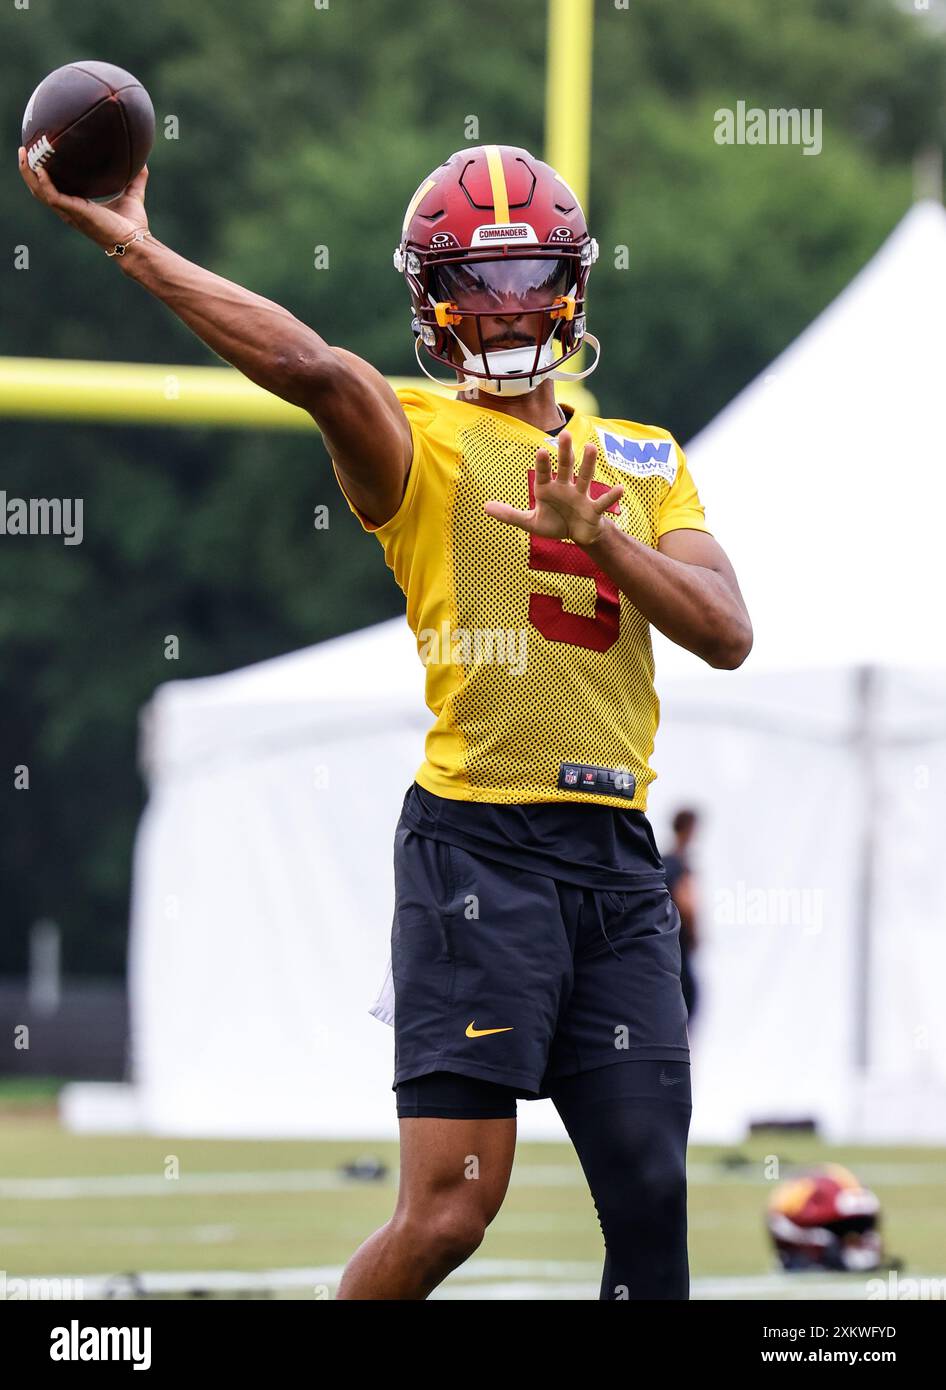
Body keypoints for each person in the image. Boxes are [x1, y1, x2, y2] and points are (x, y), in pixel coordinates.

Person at [20, 142, 752, 1300]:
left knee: (653, 1195)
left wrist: (599, 532)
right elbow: (307, 362)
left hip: (616, 867)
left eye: (524, 277)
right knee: (452, 1210)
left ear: (571, 284)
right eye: (474, 282)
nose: (504, 306)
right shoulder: (412, 439)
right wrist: (131, 241)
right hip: (480, 854)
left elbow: (724, 631)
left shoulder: (642, 459)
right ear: (429, 302)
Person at [662, 809, 701, 1025]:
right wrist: (694, 932)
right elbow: (686, 903)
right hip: (680, 944)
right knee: (686, 1004)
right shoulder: (678, 863)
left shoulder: (663, 861)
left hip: (670, 945)